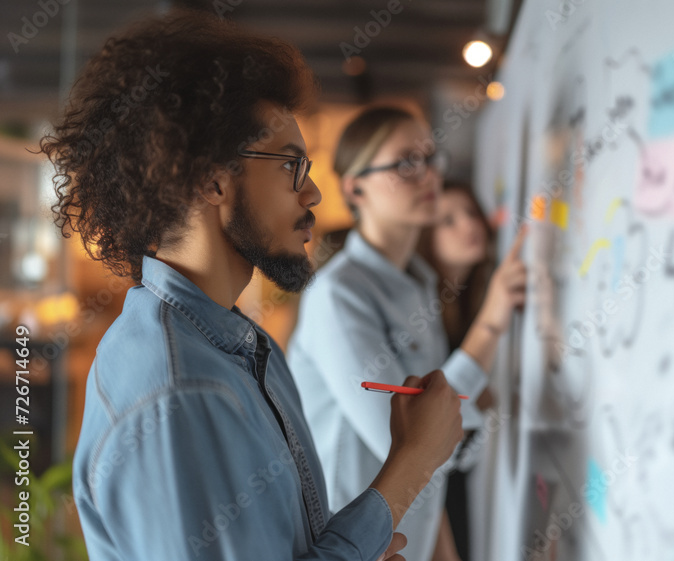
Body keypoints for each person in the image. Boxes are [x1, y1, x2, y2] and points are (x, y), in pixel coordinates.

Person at [41, 11, 463, 560]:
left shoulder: (240, 344)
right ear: (211, 180)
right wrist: (414, 460)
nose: (312, 193)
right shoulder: (179, 391)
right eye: (291, 166)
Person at [287, 106, 527, 561]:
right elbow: (411, 443)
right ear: (355, 188)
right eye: (406, 163)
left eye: (431, 158)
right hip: (352, 548)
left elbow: (429, 473)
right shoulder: (337, 295)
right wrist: (492, 320)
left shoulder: (418, 282)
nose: (430, 175)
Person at [416, 182, 498, 561]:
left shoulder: (473, 298)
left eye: (472, 212)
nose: (469, 224)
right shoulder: (422, 315)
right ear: (426, 239)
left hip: (459, 478)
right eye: (448, 220)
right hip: (433, 485)